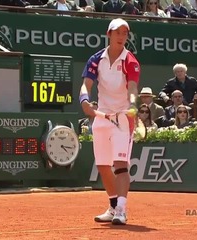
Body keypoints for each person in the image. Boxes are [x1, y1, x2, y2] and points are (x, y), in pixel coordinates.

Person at [79, 18, 140, 225]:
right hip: (101, 117)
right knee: (103, 165)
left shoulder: (130, 61)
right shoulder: (95, 59)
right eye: (118, 33)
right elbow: (85, 85)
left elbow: (132, 89)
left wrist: (132, 105)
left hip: (122, 119)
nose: (122, 37)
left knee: (120, 166)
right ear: (109, 34)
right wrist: (84, 100)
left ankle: (122, 210)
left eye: (125, 33)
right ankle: (113, 206)